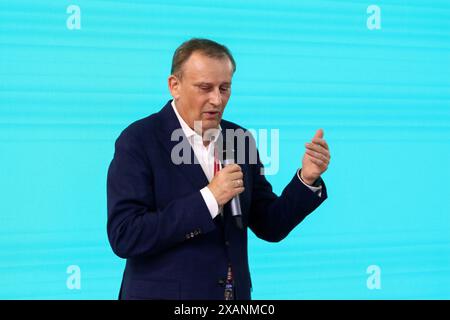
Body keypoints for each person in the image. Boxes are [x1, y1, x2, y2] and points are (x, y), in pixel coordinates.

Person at [107, 38, 331, 300]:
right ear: (174, 86)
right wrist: (210, 198)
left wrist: (306, 179)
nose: (217, 99)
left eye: (224, 88)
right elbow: (126, 235)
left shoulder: (239, 138)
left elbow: (270, 225)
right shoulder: (139, 140)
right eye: (205, 87)